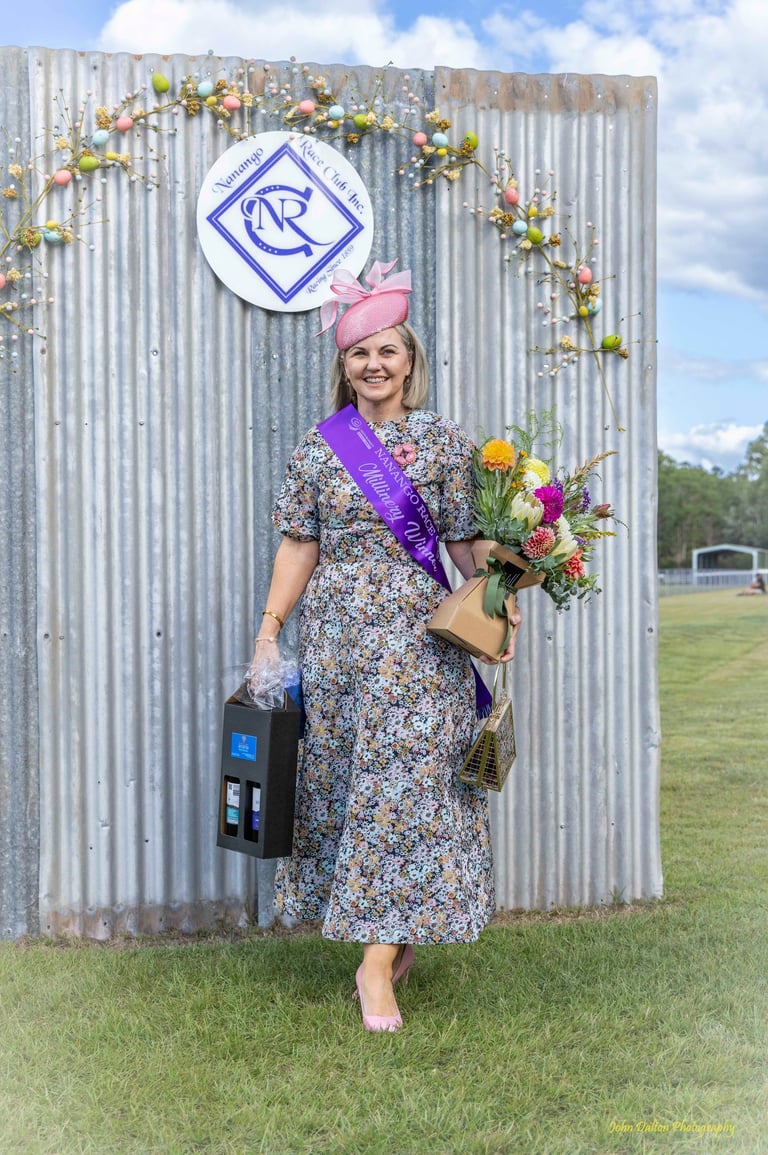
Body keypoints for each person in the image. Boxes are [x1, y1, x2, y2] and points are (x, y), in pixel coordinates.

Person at [249, 259, 521, 1032]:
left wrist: (498, 606)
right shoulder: (320, 447)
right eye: (359, 352)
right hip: (338, 642)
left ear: (410, 361)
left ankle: (375, 966)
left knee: (410, 787)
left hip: (422, 639)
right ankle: (388, 935)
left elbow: (467, 542)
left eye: (387, 351)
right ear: (344, 364)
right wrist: (270, 628)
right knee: (357, 787)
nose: (373, 364)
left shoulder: (443, 443)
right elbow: (299, 546)